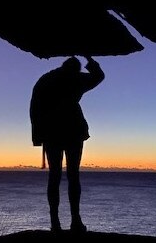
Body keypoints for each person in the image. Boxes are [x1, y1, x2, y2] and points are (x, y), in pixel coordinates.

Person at [29, 56, 104, 233]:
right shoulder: (76, 79)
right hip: (73, 131)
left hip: (52, 133)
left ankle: (55, 222)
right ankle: (75, 220)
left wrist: (39, 136)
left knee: (55, 176)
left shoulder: (46, 79)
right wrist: (89, 58)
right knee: (73, 175)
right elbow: (98, 76)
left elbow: (34, 108)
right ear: (76, 69)